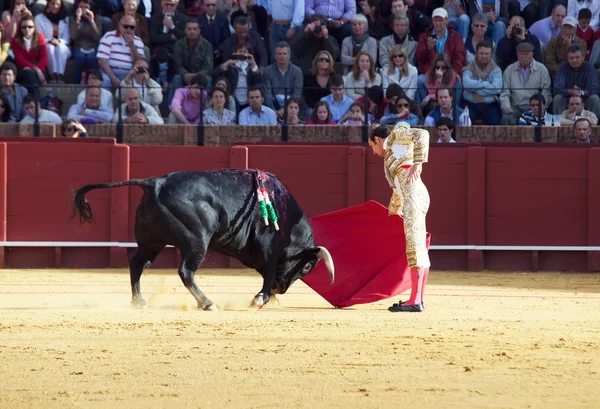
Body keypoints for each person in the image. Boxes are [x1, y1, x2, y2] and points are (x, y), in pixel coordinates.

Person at [368, 124, 430, 312]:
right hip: (412, 195)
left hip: (414, 195)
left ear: (377, 140)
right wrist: (393, 210)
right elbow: (398, 189)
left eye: (372, 146)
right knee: (417, 245)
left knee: (414, 246)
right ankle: (417, 298)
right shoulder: (393, 155)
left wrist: (418, 162)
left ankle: (415, 301)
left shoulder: (396, 135)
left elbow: (422, 133)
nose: (373, 151)